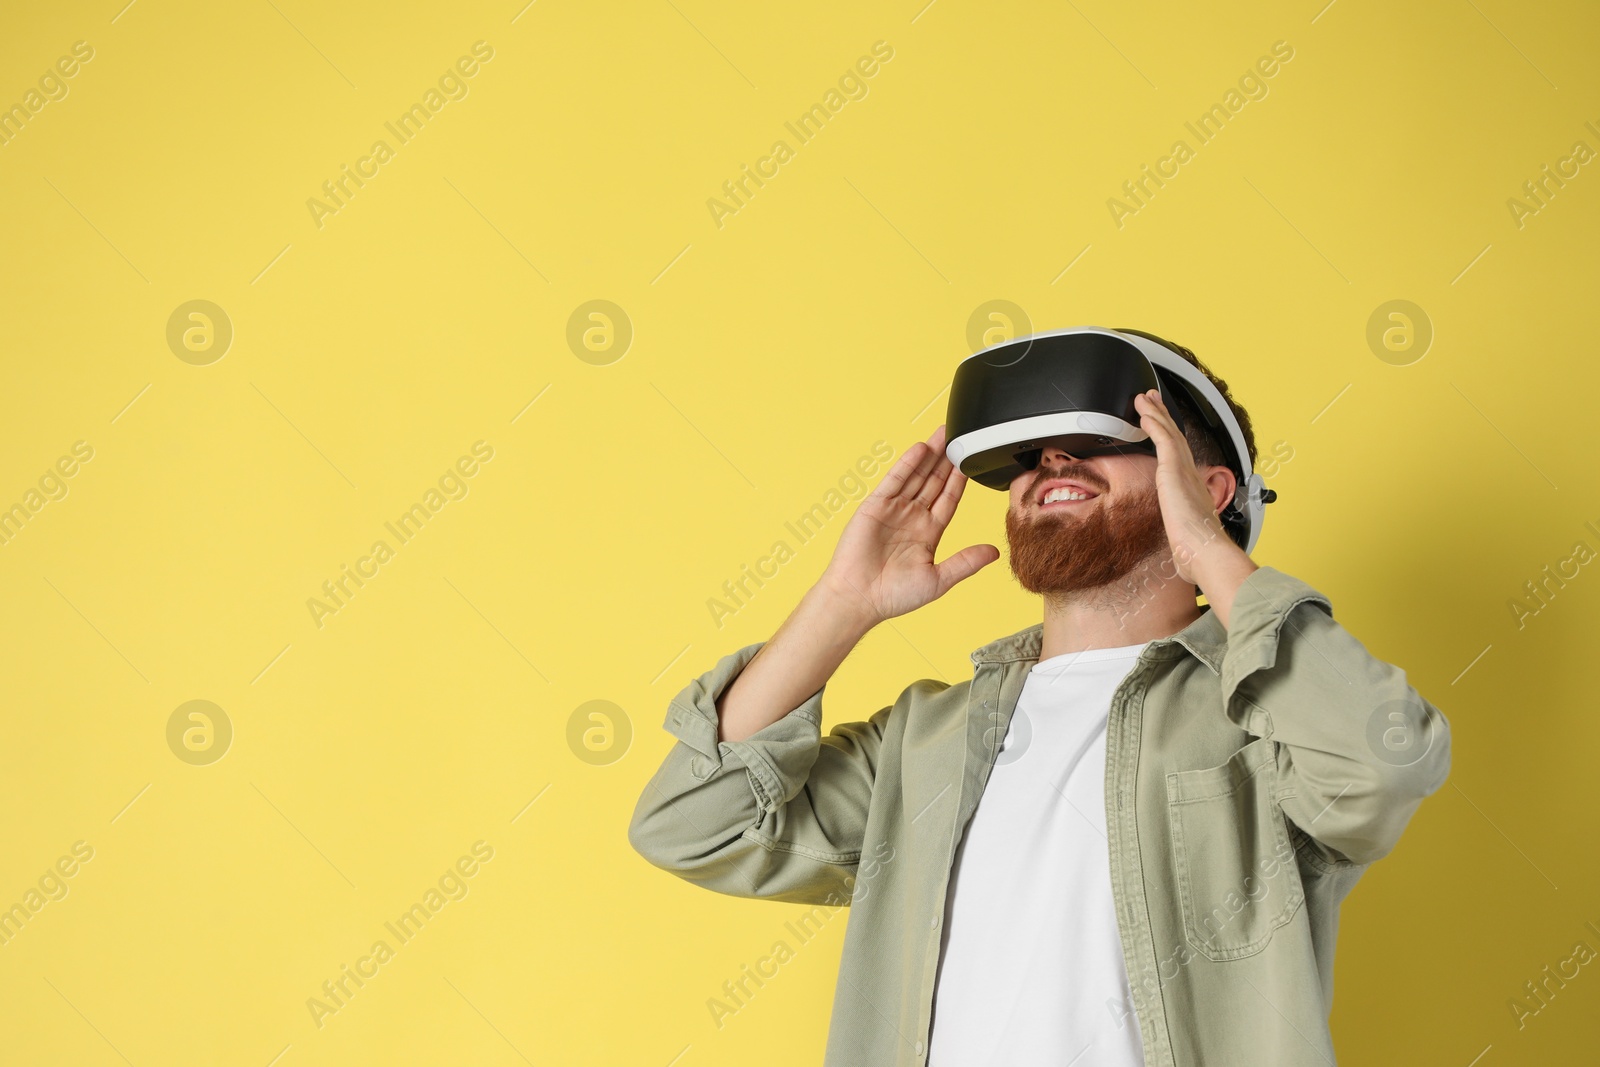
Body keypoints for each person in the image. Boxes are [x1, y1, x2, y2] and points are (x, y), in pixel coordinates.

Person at [628, 329, 1452, 1066]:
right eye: (1030, 454)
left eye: (1096, 436)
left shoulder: (1264, 716)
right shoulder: (926, 740)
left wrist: (1207, 547)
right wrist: (844, 603)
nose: (1051, 461)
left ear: (1210, 486)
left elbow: (1383, 759)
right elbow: (693, 821)